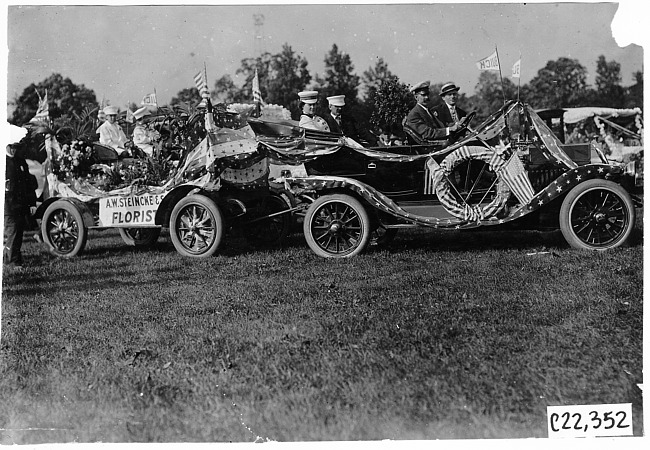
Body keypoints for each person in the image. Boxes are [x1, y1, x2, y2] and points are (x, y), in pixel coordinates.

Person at [4, 143, 38, 268]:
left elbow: (29, 185)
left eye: (15, 147)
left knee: (18, 231)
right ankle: (13, 261)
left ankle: (11, 257)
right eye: (10, 147)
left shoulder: (21, 162)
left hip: (20, 203)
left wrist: (32, 203)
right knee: (12, 229)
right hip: (7, 203)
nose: (13, 150)